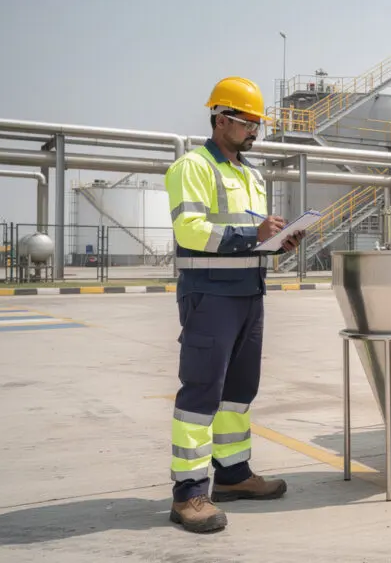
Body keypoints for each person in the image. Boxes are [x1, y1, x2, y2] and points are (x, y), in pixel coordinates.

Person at [164, 76, 303, 533]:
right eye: (247, 122)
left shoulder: (252, 174)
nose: (254, 131)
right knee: (201, 394)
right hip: (210, 296)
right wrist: (252, 234)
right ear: (220, 119)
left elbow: (251, 237)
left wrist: (278, 242)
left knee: (239, 393)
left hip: (249, 294)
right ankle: (188, 493)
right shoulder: (193, 166)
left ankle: (233, 474)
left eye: (257, 124)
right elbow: (189, 230)